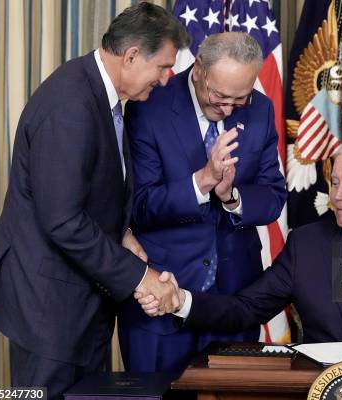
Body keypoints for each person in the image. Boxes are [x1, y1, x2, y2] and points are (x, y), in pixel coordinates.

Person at [0, 3, 189, 400]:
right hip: (48, 311)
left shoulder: (101, 94)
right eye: (162, 66)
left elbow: (90, 191)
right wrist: (139, 277)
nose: (167, 79)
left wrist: (123, 233)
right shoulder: (70, 105)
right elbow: (63, 220)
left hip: (78, 306)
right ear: (130, 56)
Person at [140, 141, 342, 343]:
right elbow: (246, 308)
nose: (338, 196)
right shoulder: (306, 245)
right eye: (335, 182)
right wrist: (181, 300)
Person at [118, 32, 287, 375]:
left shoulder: (260, 109)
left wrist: (231, 196)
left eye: (238, 100)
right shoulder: (149, 104)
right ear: (199, 69)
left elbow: (273, 197)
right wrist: (202, 182)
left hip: (233, 299)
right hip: (161, 293)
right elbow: (140, 206)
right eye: (219, 95)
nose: (227, 108)